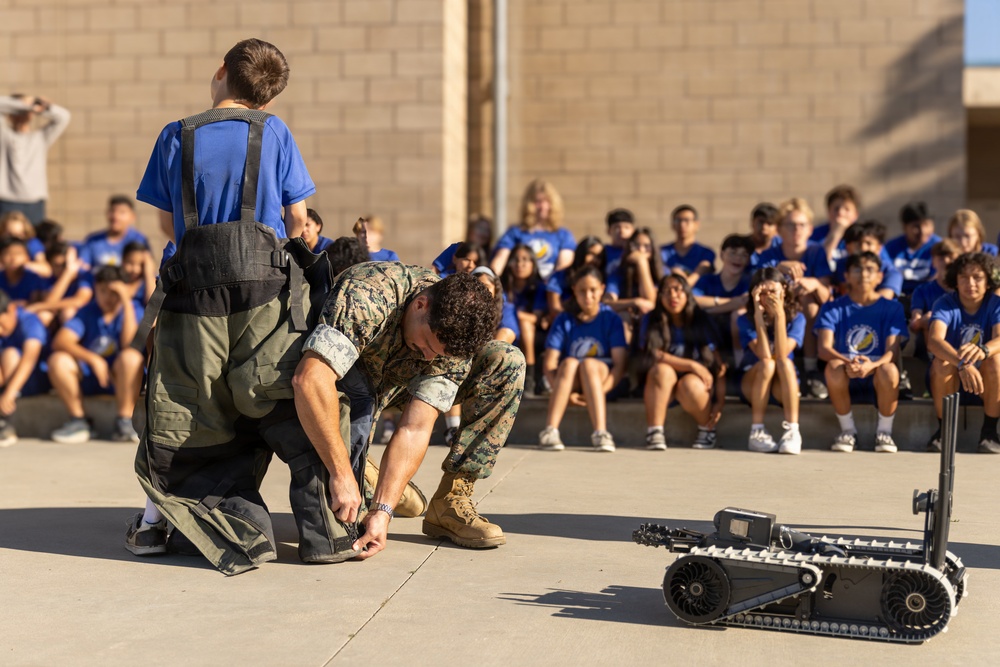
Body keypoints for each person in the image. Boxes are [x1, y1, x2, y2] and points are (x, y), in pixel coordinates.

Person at [126, 39, 325, 574]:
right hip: (265, 294)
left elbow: (168, 224)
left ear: (221, 71)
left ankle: (162, 524)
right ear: (267, 97)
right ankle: (323, 530)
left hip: (194, 294)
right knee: (278, 401)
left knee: (186, 408)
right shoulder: (274, 131)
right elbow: (298, 220)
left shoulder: (177, 133)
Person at [292, 264, 523, 555]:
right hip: (347, 387)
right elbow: (310, 380)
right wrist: (341, 473)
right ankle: (360, 470)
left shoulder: (451, 338)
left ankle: (449, 501)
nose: (428, 357)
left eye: (437, 353)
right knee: (343, 520)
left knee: (506, 360)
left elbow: (415, 427)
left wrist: (383, 512)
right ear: (420, 305)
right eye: (427, 343)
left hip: (397, 386)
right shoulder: (369, 294)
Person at [815, 252, 907, 453]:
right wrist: (849, 363)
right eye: (857, 269)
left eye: (870, 270)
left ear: (880, 277)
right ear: (846, 276)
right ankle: (848, 432)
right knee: (833, 366)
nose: (863, 274)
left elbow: (892, 351)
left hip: (877, 377)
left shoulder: (892, 308)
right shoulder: (832, 307)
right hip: (847, 375)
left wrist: (871, 366)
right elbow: (824, 349)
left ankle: (884, 433)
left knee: (889, 370)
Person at [47, 266, 145, 445]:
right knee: (58, 360)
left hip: (121, 380)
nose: (108, 297)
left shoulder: (134, 309)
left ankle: (124, 421)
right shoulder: (87, 311)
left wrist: (126, 301)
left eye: (114, 292)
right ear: (95, 289)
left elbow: (130, 344)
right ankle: (79, 421)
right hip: (91, 377)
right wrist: (93, 359)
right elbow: (60, 341)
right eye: (102, 291)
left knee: (131, 357)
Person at [538, 266, 627, 453]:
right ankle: (550, 431)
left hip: (602, 381)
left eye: (593, 290)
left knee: (589, 364)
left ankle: (601, 432)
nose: (588, 296)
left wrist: (595, 393)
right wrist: (563, 393)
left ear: (602, 289)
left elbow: (619, 365)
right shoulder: (564, 319)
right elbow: (550, 363)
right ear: (574, 291)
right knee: (570, 362)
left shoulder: (611, 318)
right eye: (582, 291)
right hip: (571, 381)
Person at [758, 197, 833, 399]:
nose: (797, 230)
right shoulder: (770, 255)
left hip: (808, 313)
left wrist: (815, 283)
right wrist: (777, 268)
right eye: (791, 225)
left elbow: (827, 297)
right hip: (775, 311)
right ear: (779, 229)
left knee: (810, 302)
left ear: (810, 229)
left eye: (802, 225)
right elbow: (756, 288)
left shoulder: (816, 251)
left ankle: (811, 370)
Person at [641, 274, 727, 450]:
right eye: (666, 291)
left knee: (689, 384)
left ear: (688, 293)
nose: (673, 296)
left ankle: (706, 429)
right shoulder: (651, 319)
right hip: (661, 387)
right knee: (662, 371)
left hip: (694, 387)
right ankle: (655, 431)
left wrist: (719, 403)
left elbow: (719, 365)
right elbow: (654, 354)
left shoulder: (701, 320)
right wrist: (692, 365)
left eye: (678, 290)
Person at [927, 252, 1000, 454]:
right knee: (941, 363)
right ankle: (944, 432)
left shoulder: (996, 304)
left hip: (985, 379)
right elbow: (934, 341)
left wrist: (983, 351)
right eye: (964, 277)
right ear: (956, 281)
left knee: (996, 361)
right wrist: (963, 363)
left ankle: (989, 433)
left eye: (977, 277)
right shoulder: (944, 302)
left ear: (988, 282)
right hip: (952, 374)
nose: (970, 283)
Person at [441, 266, 518, 447]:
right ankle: (453, 428)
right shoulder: (459, 309)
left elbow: (507, 336)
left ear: (495, 289)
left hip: (486, 360)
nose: (482, 291)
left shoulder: (506, 308)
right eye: (477, 286)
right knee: (451, 362)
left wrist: (482, 354)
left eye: (486, 287)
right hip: (464, 359)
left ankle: (492, 429)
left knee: (499, 362)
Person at [738, 268, 805, 454]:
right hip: (754, 383)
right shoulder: (745, 320)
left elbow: (782, 354)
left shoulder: (797, 318)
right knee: (768, 364)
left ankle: (792, 431)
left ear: (784, 289)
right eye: (762, 293)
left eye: (773, 291)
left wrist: (780, 316)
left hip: (782, 385)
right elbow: (765, 355)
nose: (768, 297)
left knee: (785, 363)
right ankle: (756, 431)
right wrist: (758, 316)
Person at [0, 94, 71, 224]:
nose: (23, 113)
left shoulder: (40, 138)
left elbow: (64, 116)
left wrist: (41, 106)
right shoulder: (4, 136)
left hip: (34, 202)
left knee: (36, 237)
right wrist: (23, 105)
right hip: (6, 200)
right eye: (18, 111)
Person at [490, 179, 575, 281]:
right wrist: (491, 282)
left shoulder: (563, 235)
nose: (543, 206)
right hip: (521, 288)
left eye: (547, 201)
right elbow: (500, 260)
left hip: (549, 287)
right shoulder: (515, 233)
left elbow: (564, 266)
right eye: (538, 202)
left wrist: (550, 286)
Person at [0, 289, 51, 448]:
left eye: (0, 323)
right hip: (8, 379)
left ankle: (5, 423)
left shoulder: (30, 321)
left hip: (34, 378)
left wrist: (9, 393)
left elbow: (30, 358)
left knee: (10, 354)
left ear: (11, 309)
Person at [692, 234, 753, 362]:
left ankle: (739, 362)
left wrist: (709, 310)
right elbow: (693, 299)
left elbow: (745, 302)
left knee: (738, 314)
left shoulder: (748, 282)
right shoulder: (708, 280)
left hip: (737, 338)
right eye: (733, 253)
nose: (738, 258)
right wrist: (730, 302)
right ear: (722, 254)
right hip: (709, 336)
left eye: (744, 255)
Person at [501, 243, 548, 394]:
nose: (520, 264)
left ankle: (530, 377)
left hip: (532, 335)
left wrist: (512, 312)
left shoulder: (539, 287)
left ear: (533, 263)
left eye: (525, 259)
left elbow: (536, 318)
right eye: (516, 259)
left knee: (525, 323)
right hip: (507, 331)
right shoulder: (502, 286)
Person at [605, 227, 662, 338]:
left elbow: (651, 301)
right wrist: (634, 302)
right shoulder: (619, 272)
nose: (641, 250)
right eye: (636, 245)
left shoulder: (662, 272)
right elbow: (607, 303)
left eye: (646, 246)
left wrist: (642, 263)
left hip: (653, 324)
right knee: (624, 316)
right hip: (628, 321)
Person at [909, 240, 959, 363]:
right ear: (933, 262)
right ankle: (934, 359)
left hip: (960, 340)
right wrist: (928, 320)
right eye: (941, 258)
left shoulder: (964, 289)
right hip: (929, 347)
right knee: (930, 319)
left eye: (951, 257)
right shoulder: (922, 290)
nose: (946, 261)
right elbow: (915, 323)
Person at [832, 221, 903, 300]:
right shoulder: (842, 265)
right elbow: (846, 293)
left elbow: (883, 300)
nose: (863, 248)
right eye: (858, 244)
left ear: (879, 248)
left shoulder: (890, 272)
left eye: (868, 243)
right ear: (848, 247)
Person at [885, 201, 941, 296]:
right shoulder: (891, 248)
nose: (922, 231)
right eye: (916, 226)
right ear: (904, 227)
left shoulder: (939, 247)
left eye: (926, 225)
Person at [79, 196, 149, 270]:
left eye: (122, 212)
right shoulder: (93, 240)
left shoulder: (139, 240)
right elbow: (83, 268)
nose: (116, 216)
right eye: (112, 211)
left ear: (132, 216)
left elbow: (148, 269)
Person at [545, 235, 604, 318]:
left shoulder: (602, 278)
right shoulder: (559, 276)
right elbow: (555, 308)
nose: (595, 260)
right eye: (591, 254)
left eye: (599, 257)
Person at [660, 204, 715, 286]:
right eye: (678, 220)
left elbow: (701, 271)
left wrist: (682, 280)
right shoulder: (661, 252)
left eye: (687, 220)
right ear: (672, 225)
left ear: (696, 225)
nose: (682, 224)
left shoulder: (706, 253)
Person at [811, 184, 861, 268]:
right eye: (836, 208)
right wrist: (835, 234)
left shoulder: (863, 236)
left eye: (847, 209)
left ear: (855, 214)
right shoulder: (815, 235)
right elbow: (817, 264)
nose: (840, 213)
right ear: (828, 211)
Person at [0, 238, 49, 307]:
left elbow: (34, 304)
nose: (13, 258)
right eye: (8, 253)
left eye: (18, 254)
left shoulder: (33, 279)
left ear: (27, 257)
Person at [0, 210, 49, 275]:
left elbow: (45, 269)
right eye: (10, 234)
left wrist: (21, 265)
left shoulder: (32, 244)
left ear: (25, 233)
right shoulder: (2, 244)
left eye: (18, 234)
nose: (14, 239)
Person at [121, 240, 156, 307]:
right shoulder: (117, 280)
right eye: (131, 263)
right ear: (123, 261)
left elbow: (153, 304)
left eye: (141, 265)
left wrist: (149, 273)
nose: (135, 270)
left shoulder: (149, 283)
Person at [749, 202, 780, 273]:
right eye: (761, 222)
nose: (764, 227)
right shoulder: (740, 247)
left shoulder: (784, 248)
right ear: (752, 223)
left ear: (777, 228)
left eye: (769, 223)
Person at [603, 208, 635, 277]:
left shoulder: (637, 253)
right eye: (617, 227)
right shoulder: (602, 253)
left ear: (633, 231)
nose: (622, 231)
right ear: (608, 231)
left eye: (626, 227)